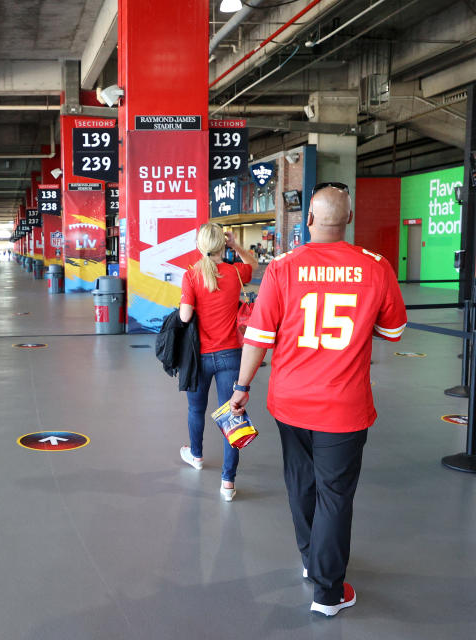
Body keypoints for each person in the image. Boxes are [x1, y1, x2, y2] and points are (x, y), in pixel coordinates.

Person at [229, 184, 407, 616]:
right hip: (344, 407)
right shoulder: (376, 267)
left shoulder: (282, 267)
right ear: (348, 221)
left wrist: (241, 386)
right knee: (334, 494)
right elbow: (393, 331)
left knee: (302, 485)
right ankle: (328, 591)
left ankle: (312, 561)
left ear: (308, 220)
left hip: (290, 403)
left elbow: (258, 336)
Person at [178, 222, 258, 502]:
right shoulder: (236, 271)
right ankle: (228, 482)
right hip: (230, 355)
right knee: (232, 415)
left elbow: (185, 317)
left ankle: (197, 455)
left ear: (200, 245)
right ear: (222, 245)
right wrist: (236, 246)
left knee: (195, 409)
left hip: (199, 356)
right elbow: (254, 264)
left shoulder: (191, 275)